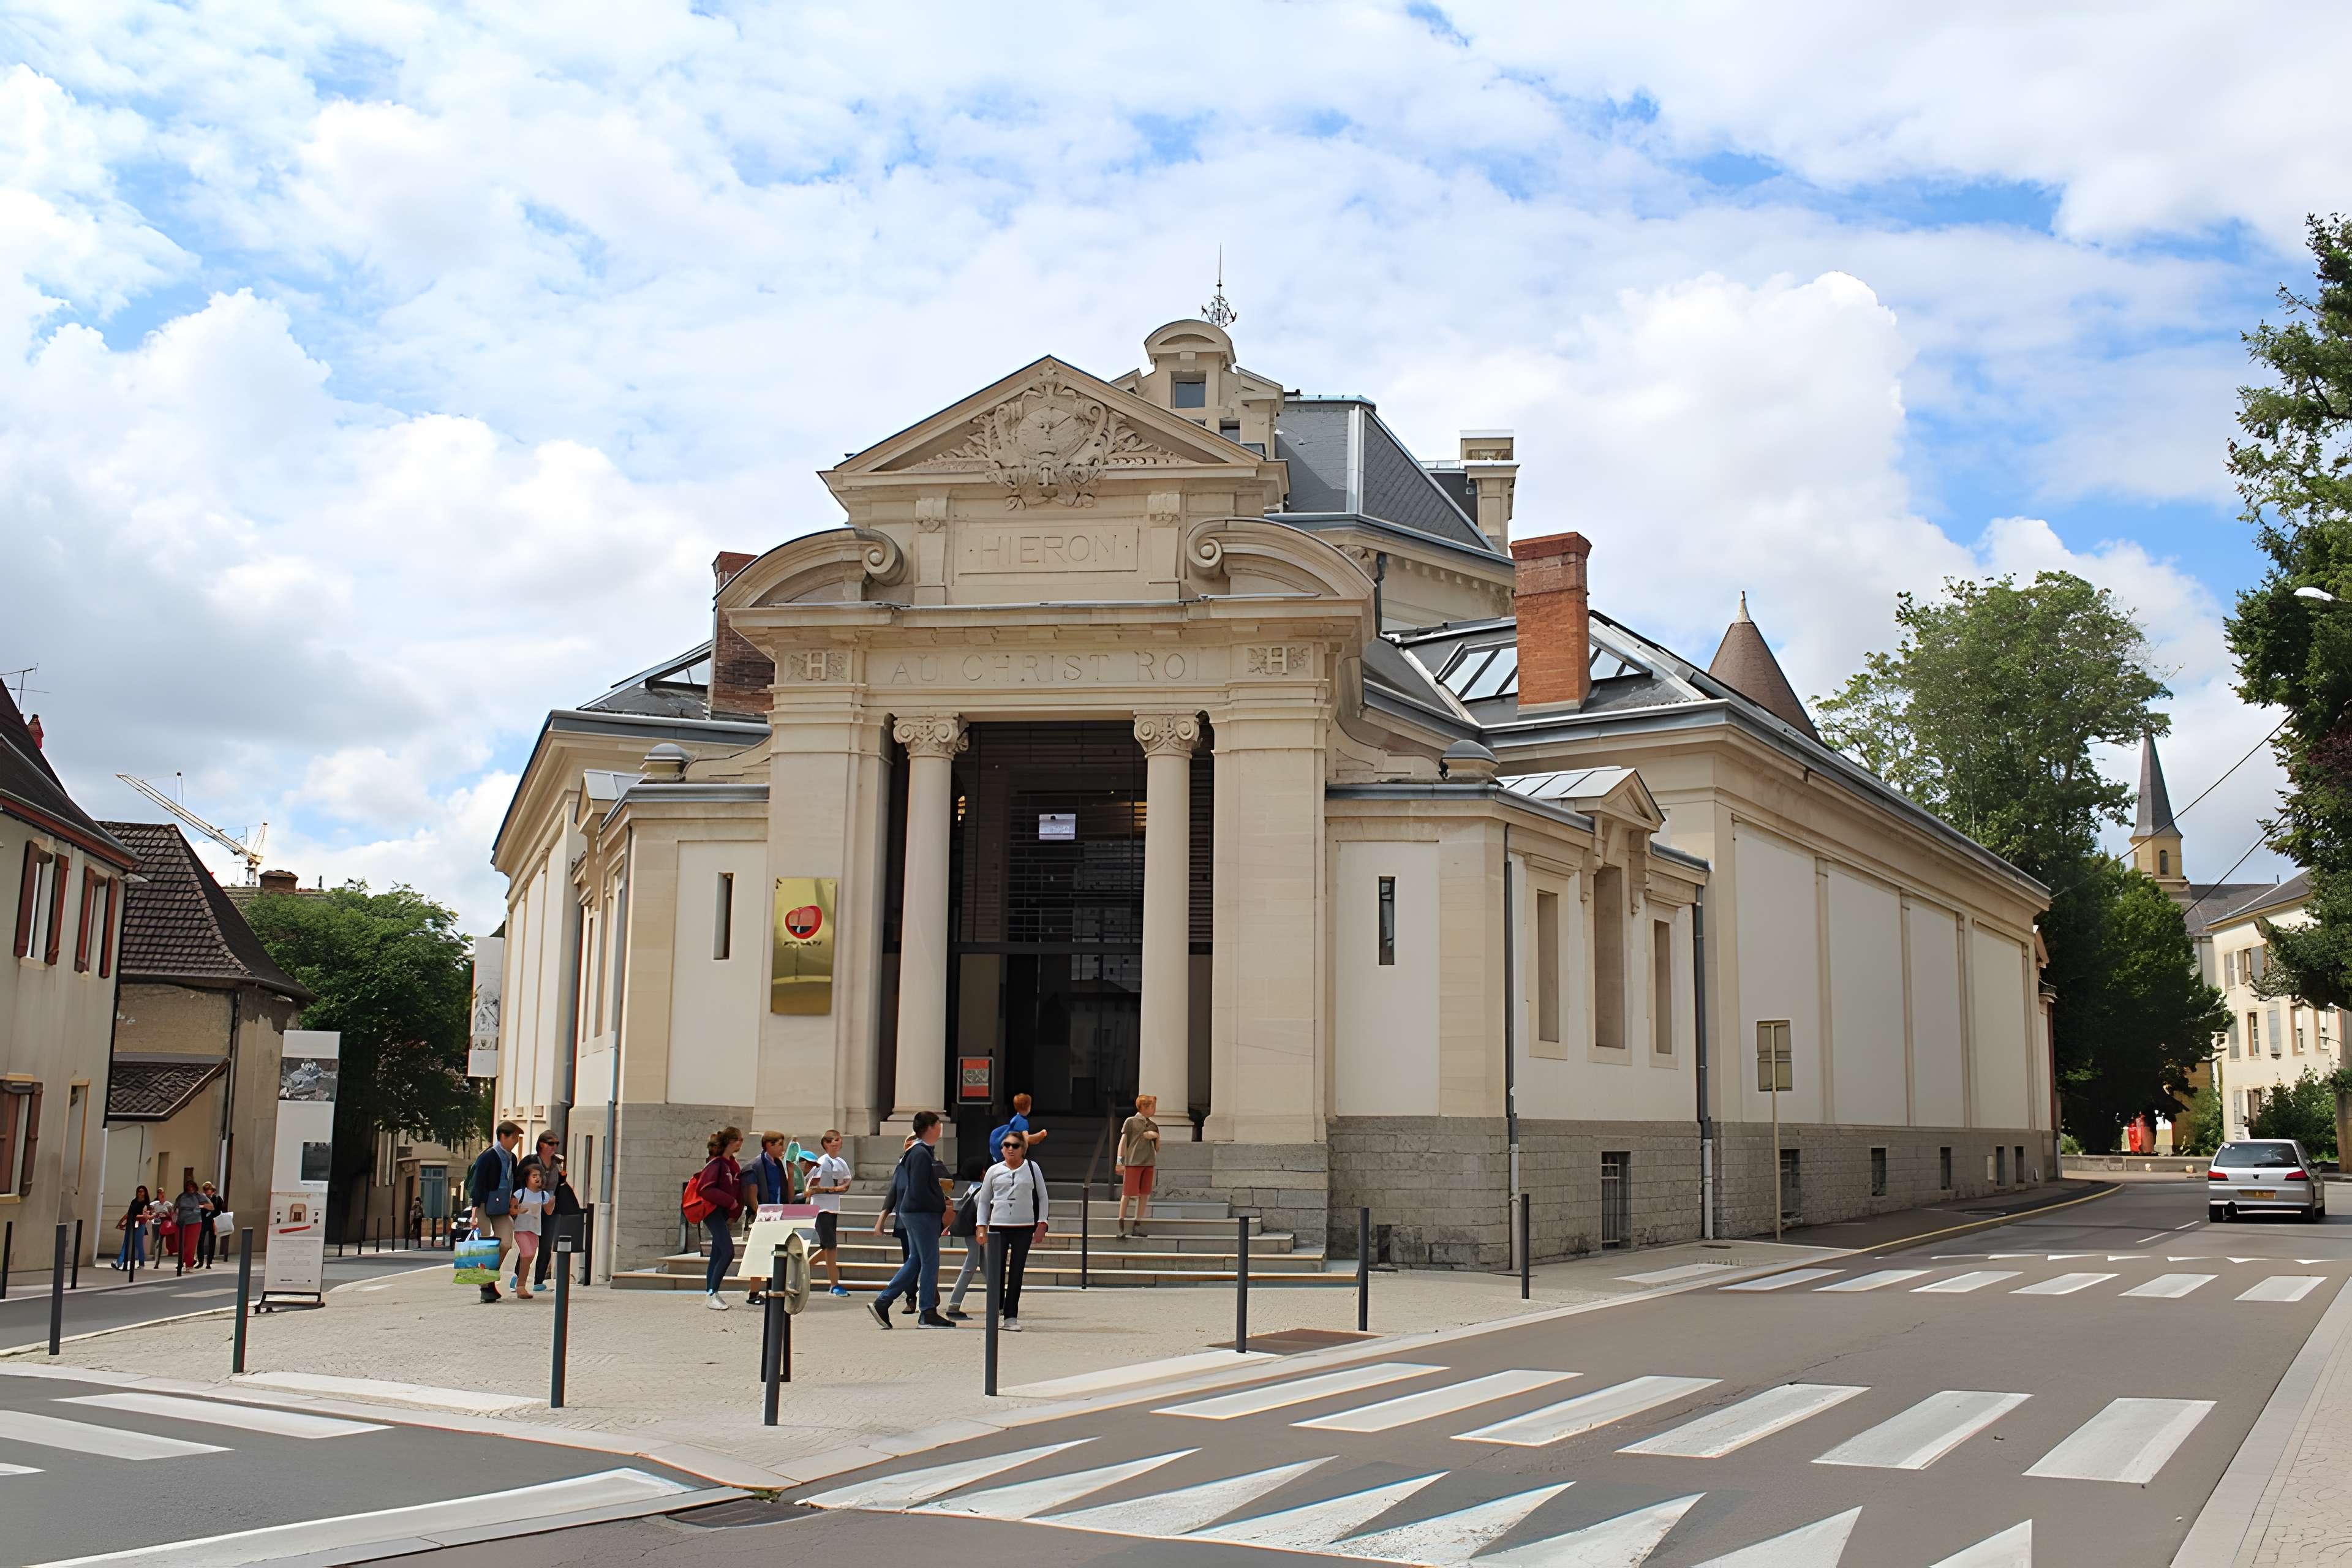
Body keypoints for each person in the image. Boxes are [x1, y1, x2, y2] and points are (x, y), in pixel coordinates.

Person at [868, 1111, 952, 1329]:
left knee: (916, 1260)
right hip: (921, 1213)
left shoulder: (916, 1151)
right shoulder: (921, 1153)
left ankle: (884, 1302)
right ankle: (927, 1312)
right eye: (938, 1124)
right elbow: (918, 1188)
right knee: (930, 1261)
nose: (941, 1128)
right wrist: (940, 1207)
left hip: (913, 1212)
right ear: (931, 1127)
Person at [974, 1129, 1050, 1330]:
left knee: (1017, 1271)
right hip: (998, 1227)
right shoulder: (994, 1171)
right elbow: (984, 1200)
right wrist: (981, 1225)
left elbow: (1043, 1196)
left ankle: (1011, 1316)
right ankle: (996, 1309)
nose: (1010, 1149)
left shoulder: (1032, 1168)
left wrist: (1042, 1222)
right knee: (996, 1270)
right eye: (1006, 1145)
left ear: (1023, 1149)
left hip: (1023, 1227)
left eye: (1015, 1146)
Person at [467, 1121, 524, 1304]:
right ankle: (487, 1286)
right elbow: (478, 1184)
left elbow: (514, 1181)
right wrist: (475, 1211)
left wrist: (514, 1198)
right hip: (484, 1204)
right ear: (503, 1137)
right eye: (514, 1137)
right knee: (485, 1245)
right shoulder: (488, 1157)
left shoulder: (512, 1158)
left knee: (506, 1242)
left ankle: (487, 1278)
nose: (516, 1141)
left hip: (501, 1206)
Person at [692, 1126, 745, 1310]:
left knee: (717, 1253)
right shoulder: (717, 1164)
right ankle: (712, 1293)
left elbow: (737, 1190)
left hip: (723, 1213)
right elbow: (705, 1189)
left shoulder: (732, 1164)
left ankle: (711, 1292)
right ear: (730, 1142)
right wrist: (731, 1202)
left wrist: (734, 1213)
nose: (741, 1143)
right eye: (739, 1139)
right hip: (712, 1212)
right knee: (727, 1252)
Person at [804, 1129, 853, 1298]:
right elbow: (813, 1188)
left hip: (833, 1208)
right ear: (825, 1144)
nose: (836, 1143)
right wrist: (834, 1189)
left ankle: (801, 1269)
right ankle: (834, 1283)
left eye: (838, 1140)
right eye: (832, 1140)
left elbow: (846, 1183)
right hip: (821, 1208)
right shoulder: (822, 1162)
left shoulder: (841, 1162)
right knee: (830, 1247)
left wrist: (837, 1189)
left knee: (828, 1247)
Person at [1117, 1093, 1162, 1238]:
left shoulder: (1153, 1125)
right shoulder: (1131, 1122)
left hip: (1148, 1163)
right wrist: (1120, 1162)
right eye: (1152, 1107)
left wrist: (1156, 1137)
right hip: (1133, 1162)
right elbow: (1123, 1143)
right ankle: (1121, 1225)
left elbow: (1157, 1148)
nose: (1154, 1110)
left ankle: (1137, 1224)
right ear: (1144, 1107)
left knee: (1144, 1195)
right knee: (1127, 1194)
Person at [538, 1155, 582, 1290]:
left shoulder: (559, 1180)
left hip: (552, 1214)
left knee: (545, 1248)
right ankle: (520, 1278)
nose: (559, 1168)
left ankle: (538, 1280)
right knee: (531, 1248)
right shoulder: (539, 1172)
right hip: (538, 1213)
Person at [510, 1163, 549, 1300]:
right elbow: (512, 1210)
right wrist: (521, 1210)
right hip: (521, 1229)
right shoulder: (520, 1193)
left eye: (539, 1176)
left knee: (530, 1257)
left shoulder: (544, 1195)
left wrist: (552, 1201)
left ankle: (519, 1282)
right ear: (527, 1178)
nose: (538, 1178)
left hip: (534, 1231)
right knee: (527, 1254)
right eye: (534, 1176)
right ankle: (520, 1286)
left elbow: (549, 1212)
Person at [172, 1177, 207, 1275]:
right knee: (180, 1243)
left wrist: (201, 1206)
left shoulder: (199, 1197)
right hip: (181, 1222)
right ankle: (182, 1262)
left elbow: (210, 1206)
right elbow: (175, 1207)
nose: (191, 1189)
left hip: (195, 1221)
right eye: (189, 1187)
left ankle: (189, 1264)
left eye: (192, 1187)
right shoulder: (181, 1197)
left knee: (191, 1245)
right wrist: (175, 1214)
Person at [113, 1186, 151, 1270]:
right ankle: (119, 1263)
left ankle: (141, 1263)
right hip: (131, 1223)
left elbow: (146, 1216)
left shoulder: (146, 1204)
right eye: (139, 1191)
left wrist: (139, 1216)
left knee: (138, 1244)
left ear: (145, 1193)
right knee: (126, 1242)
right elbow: (129, 1213)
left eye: (142, 1191)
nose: (140, 1193)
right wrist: (121, 1222)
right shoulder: (134, 1202)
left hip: (140, 1224)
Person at [196, 1182, 222, 1268]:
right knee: (201, 1240)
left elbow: (219, 1210)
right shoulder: (203, 1199)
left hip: (213, 1221)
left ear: (211, 1190)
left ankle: (209, 1262)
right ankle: (200, 1261)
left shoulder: (217, 1199)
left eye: (208, 1190)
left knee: (212, 1241)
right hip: (204, 1221)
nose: (206, 1192)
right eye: (205, 1190)